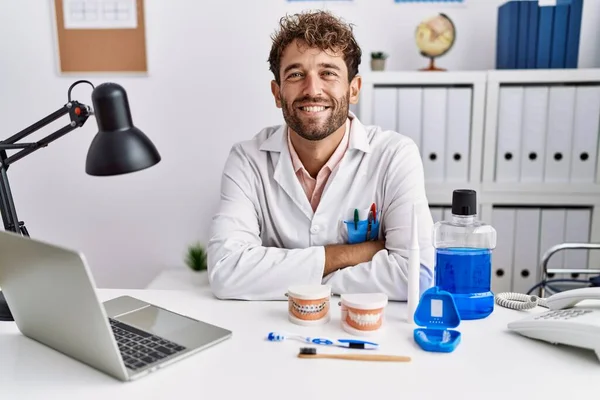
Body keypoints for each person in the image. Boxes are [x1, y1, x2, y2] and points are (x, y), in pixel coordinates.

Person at [207, 10, 434, 301]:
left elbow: (417, 274)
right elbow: (226, 273)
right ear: (277, 93)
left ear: (354, 89)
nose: (312, 90)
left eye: (328, 73)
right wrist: (348, 255)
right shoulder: (247, 160)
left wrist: (282, 274)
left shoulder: (395, 156)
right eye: (296, 74)